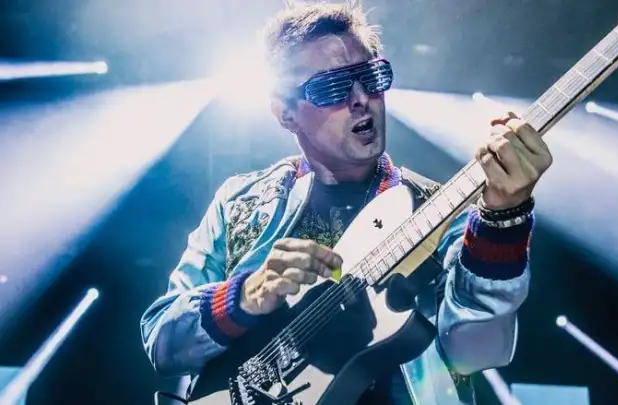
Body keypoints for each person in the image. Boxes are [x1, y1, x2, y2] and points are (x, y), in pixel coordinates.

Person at [140, 2, 553, 404]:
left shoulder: (440, 212)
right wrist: (244, 296)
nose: (360, 98)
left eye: (371, 77)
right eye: (332, 87)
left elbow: (477, 353)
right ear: (286, 113)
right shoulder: (240, 203)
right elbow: (162, 342)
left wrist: (505, 220)